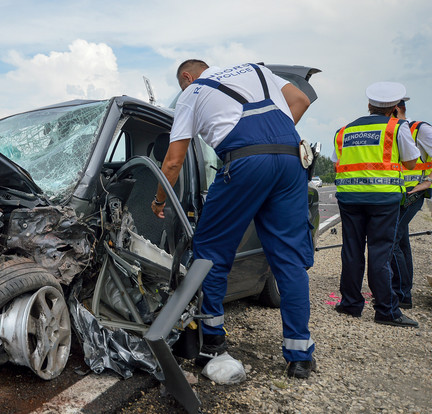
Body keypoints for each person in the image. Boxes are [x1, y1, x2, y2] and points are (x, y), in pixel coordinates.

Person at [151, 60, 316, 378]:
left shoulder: (193, 92)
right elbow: (301, 101)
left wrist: (159, 201)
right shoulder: (257, 70)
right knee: (289, 262)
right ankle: (300, 358)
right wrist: (272, 146)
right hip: (291, 160)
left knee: (210, 253)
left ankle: (212, 342)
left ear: (187, 77)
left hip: (244, 163)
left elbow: (173, 161)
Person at [332, 81, 419, 328]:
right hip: (383, 199)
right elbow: (412, 163)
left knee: (351, 251)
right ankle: (386, 311)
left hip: (350, 198)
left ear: (369, 106)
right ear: (393, 107)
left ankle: (350, 304)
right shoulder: (397, 127)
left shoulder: (344, 131)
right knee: (381, 253)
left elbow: (338, 161)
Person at [391, 97, 432, 309]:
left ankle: (400, 295)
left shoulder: (421, 129)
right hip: (398, 192)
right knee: (402, 241)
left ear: (396, 109)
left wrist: (427, 184)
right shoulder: (393, 130)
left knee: (393, 238)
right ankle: (404, 294)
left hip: (414, 191)